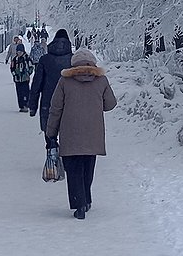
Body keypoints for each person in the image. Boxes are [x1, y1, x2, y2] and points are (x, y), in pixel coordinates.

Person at [45, 48, 117, 220]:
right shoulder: (101, 80)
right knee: (88, 167)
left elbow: (56, 108)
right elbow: (111, 104)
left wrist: (51, 133)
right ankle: (86, 199)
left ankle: (79, 203)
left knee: (74, 168)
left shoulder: (65, 81)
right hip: (93, 132)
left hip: (70, 133)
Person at [29, 28, 73, 132]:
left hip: (48, 101)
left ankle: (51, 145)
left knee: (49, 130)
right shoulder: (74, 60)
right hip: (69, 102)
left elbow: (37, 84)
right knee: (67, 132)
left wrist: (32, 106)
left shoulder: (45, 59)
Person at [10, 41, 34, 112]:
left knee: (25, 92)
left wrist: (28, 73)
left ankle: (26, 105)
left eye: (20, 51)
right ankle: (21, 106)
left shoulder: (27, 58)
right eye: (18, 51)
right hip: (17, 79)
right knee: (19, 93)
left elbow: (31, 67)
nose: (19, 53)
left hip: (25, 79)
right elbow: (12, 68)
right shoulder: (15, 59)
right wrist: (14, 74)